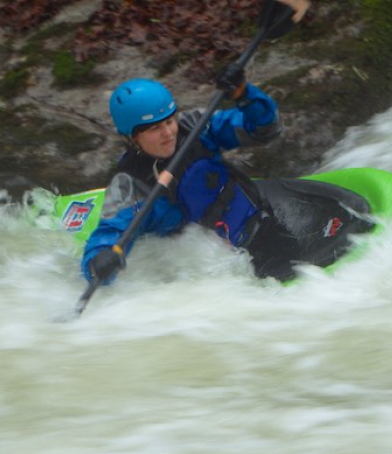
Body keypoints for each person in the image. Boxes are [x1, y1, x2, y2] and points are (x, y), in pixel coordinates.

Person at [82, 0, 311, 284]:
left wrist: (244, 94)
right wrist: (97, 263)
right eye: (154, 129)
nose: (168, 133)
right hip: (217, 273)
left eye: (169, 121)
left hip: (259, 225)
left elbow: (266, 128)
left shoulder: (195, 127)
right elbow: (109, 235)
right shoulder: (131, 186)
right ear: (132, 137)